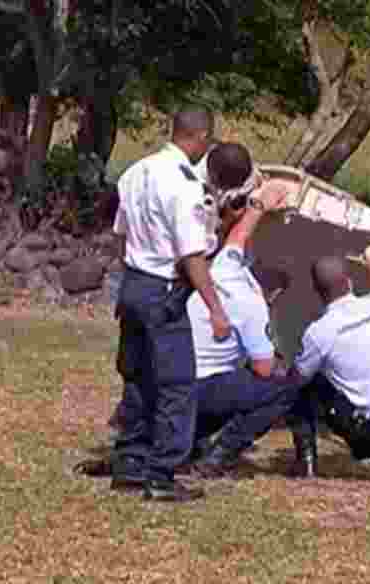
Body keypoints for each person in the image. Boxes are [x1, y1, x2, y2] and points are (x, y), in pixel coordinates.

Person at [108, 107, 231, 502]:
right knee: (176, 383)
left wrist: (129, 276)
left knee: (137, 374)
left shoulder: (135, 172)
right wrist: (215, 307)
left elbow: (120, 235)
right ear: (201, 138)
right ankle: (161, 473)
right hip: (163, 289)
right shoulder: (185, 185)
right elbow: (192, 254)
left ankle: (130, 460)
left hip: (134, 282)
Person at [182, 142, 301, 479]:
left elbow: (238, 237)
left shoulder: (219, 265)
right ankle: (222, 453)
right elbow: (264, 368)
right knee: (284, 386)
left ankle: (188, 441)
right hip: (203, 391)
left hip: (174, 383)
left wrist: (259, 205)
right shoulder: (248, 299)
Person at [285, 246, 370, 481]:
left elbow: (297, 379)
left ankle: (307, 463)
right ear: (349, 283)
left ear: (318, 292)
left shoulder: (320, 331)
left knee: (299, 384)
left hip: (363, 427)